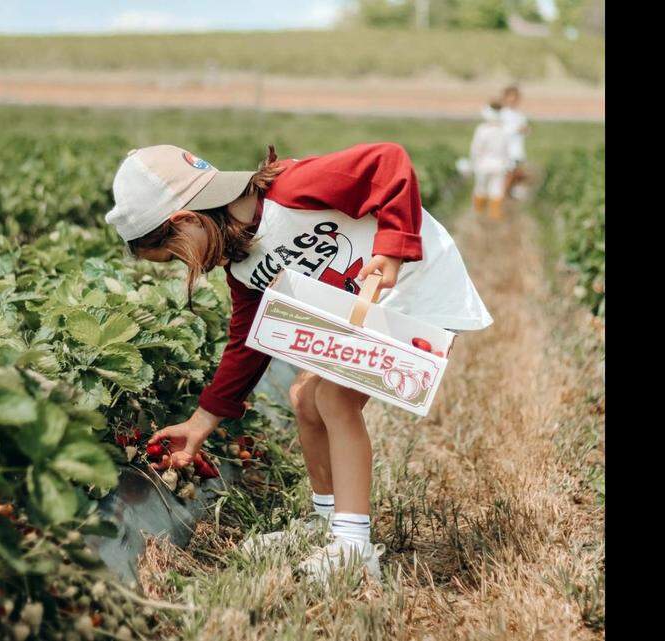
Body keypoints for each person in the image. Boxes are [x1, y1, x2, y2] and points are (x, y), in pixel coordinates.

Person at [104, 142, 493, 582]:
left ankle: (353, 550)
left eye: (175, 254)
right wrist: (200, 423)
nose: (184, 265)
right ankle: (328, 523)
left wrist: (392, 248)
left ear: (187, 220)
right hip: (369, 306)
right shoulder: (243, 267)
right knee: (305, 396)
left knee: (333, 398)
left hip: (419, 286)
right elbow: (248, 345)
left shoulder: (294, 190)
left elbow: (389, 161)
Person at [469, 102, 511, 220]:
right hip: (500, 164)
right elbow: (507, 150)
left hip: (483, 164)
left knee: (480, 189)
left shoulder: (482, 130)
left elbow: (476, 149)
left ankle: (478, 213)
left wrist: (473, 162)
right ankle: (494, 216)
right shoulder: (504, 130)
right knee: (496, 190)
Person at [499, 84, 531, 199]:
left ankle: (506, 197)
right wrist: (516, 129)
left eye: (515, 98)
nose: (513, 101)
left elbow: (525, 130)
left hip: (517, 149)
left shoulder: (520, 115)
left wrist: (526, 130)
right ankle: (499, 199)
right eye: (510, 98)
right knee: (509, 174)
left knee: (516, 174)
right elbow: (501, 131)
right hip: (506, 149)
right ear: (505, 98)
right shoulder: (502, 114)